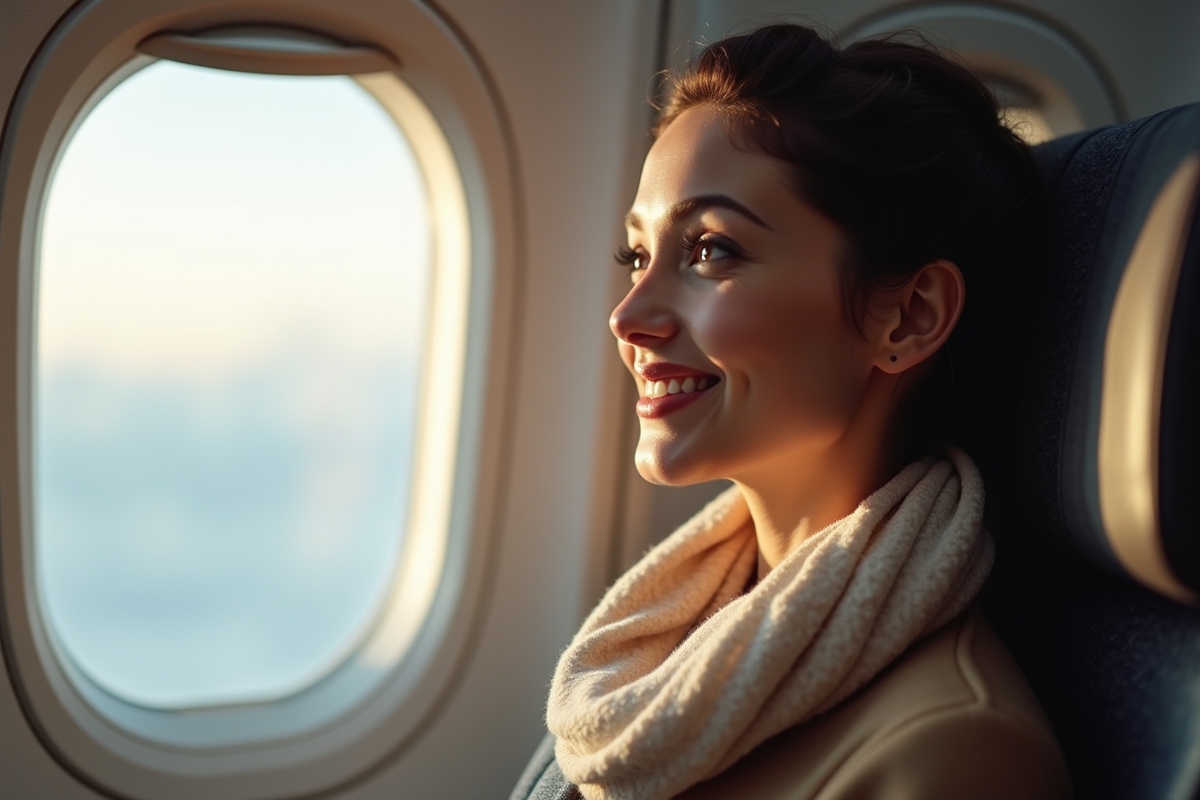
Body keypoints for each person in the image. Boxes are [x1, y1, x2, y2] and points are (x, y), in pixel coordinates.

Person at [510, 22, 1071, 800]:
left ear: (908, 317)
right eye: (638, 257)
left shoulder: (956, 754)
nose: (628, 316)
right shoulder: (663, 648)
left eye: (711, 250)